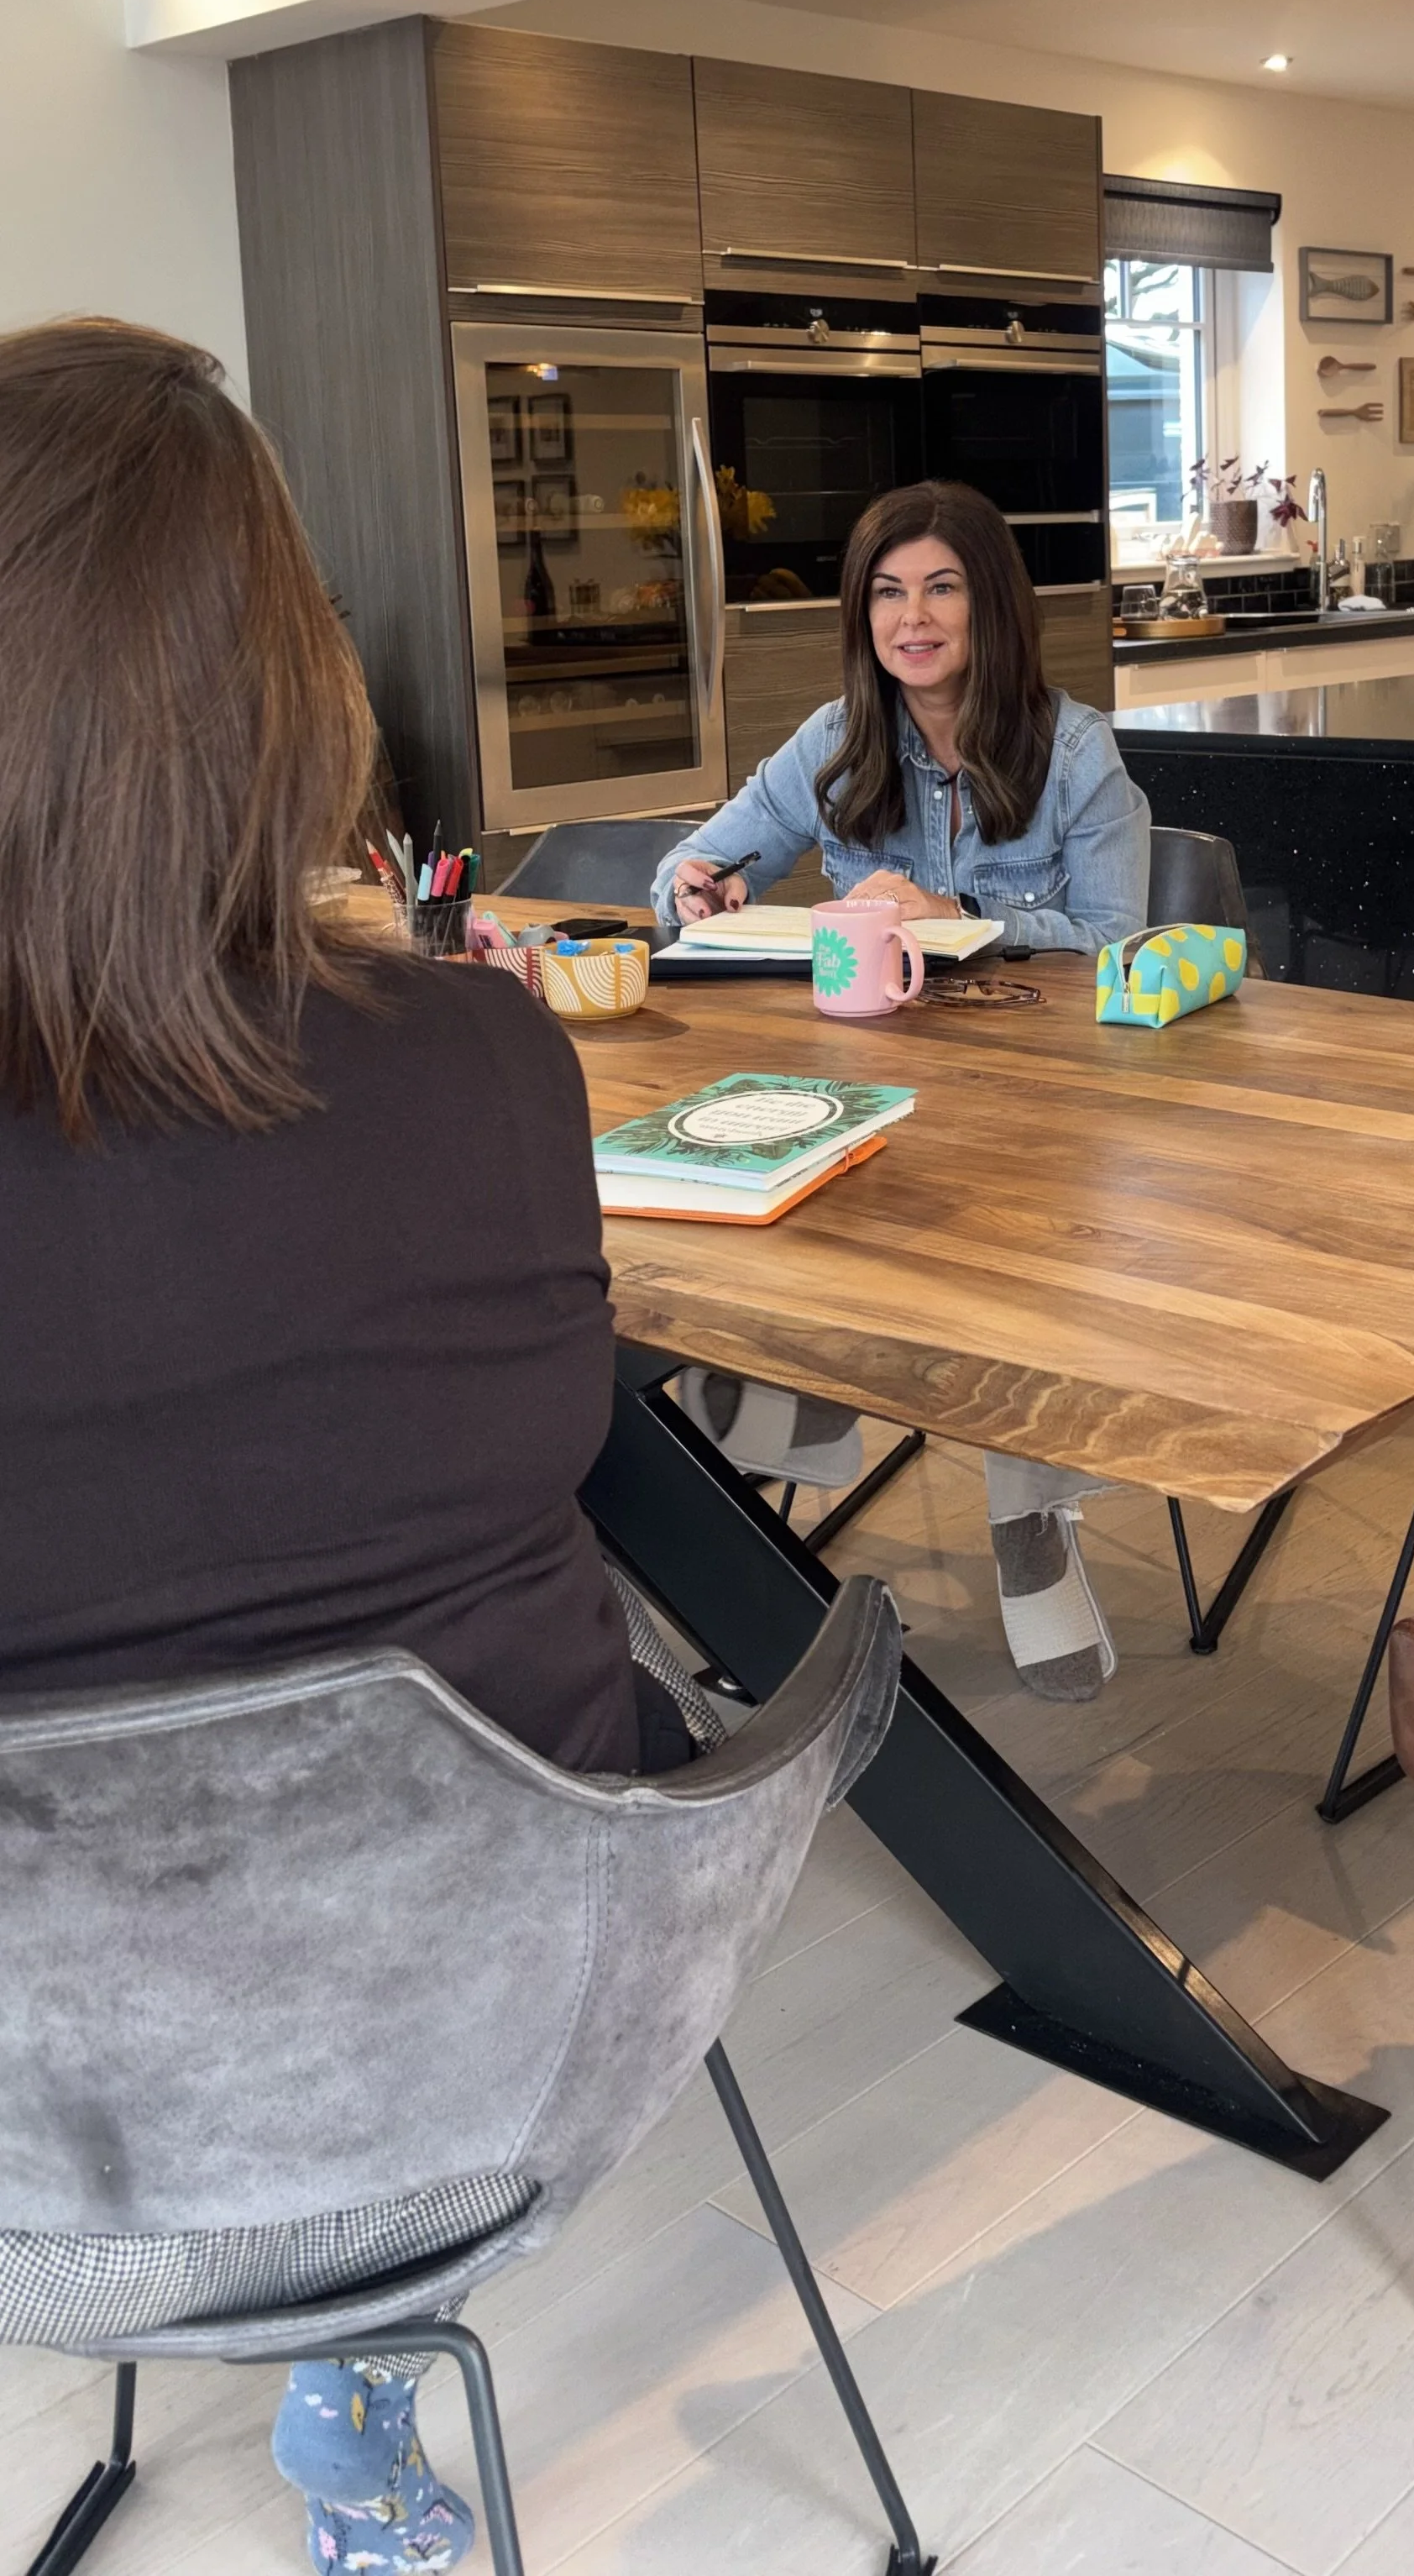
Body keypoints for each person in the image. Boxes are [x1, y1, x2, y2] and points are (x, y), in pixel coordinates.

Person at [0, 318, 700, 2576]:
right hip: (500, 2082)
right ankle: (361, 2418)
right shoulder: (490, 1064)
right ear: (284, 678)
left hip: (51, 2151)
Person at [652, 479, 1150, 1702]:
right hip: (862, 1082)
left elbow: (1118, 936)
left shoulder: (1074, 749)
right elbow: (690, 862)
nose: (911, 617)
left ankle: (1027, 1521)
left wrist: (961, 914)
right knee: (753, 1172)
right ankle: (772, 1468)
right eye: (886, 591)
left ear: (991, 607)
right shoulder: (834, 739)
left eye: (940, 588)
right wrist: (703, 883)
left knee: (1014, 1245)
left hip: (1041, 1095)